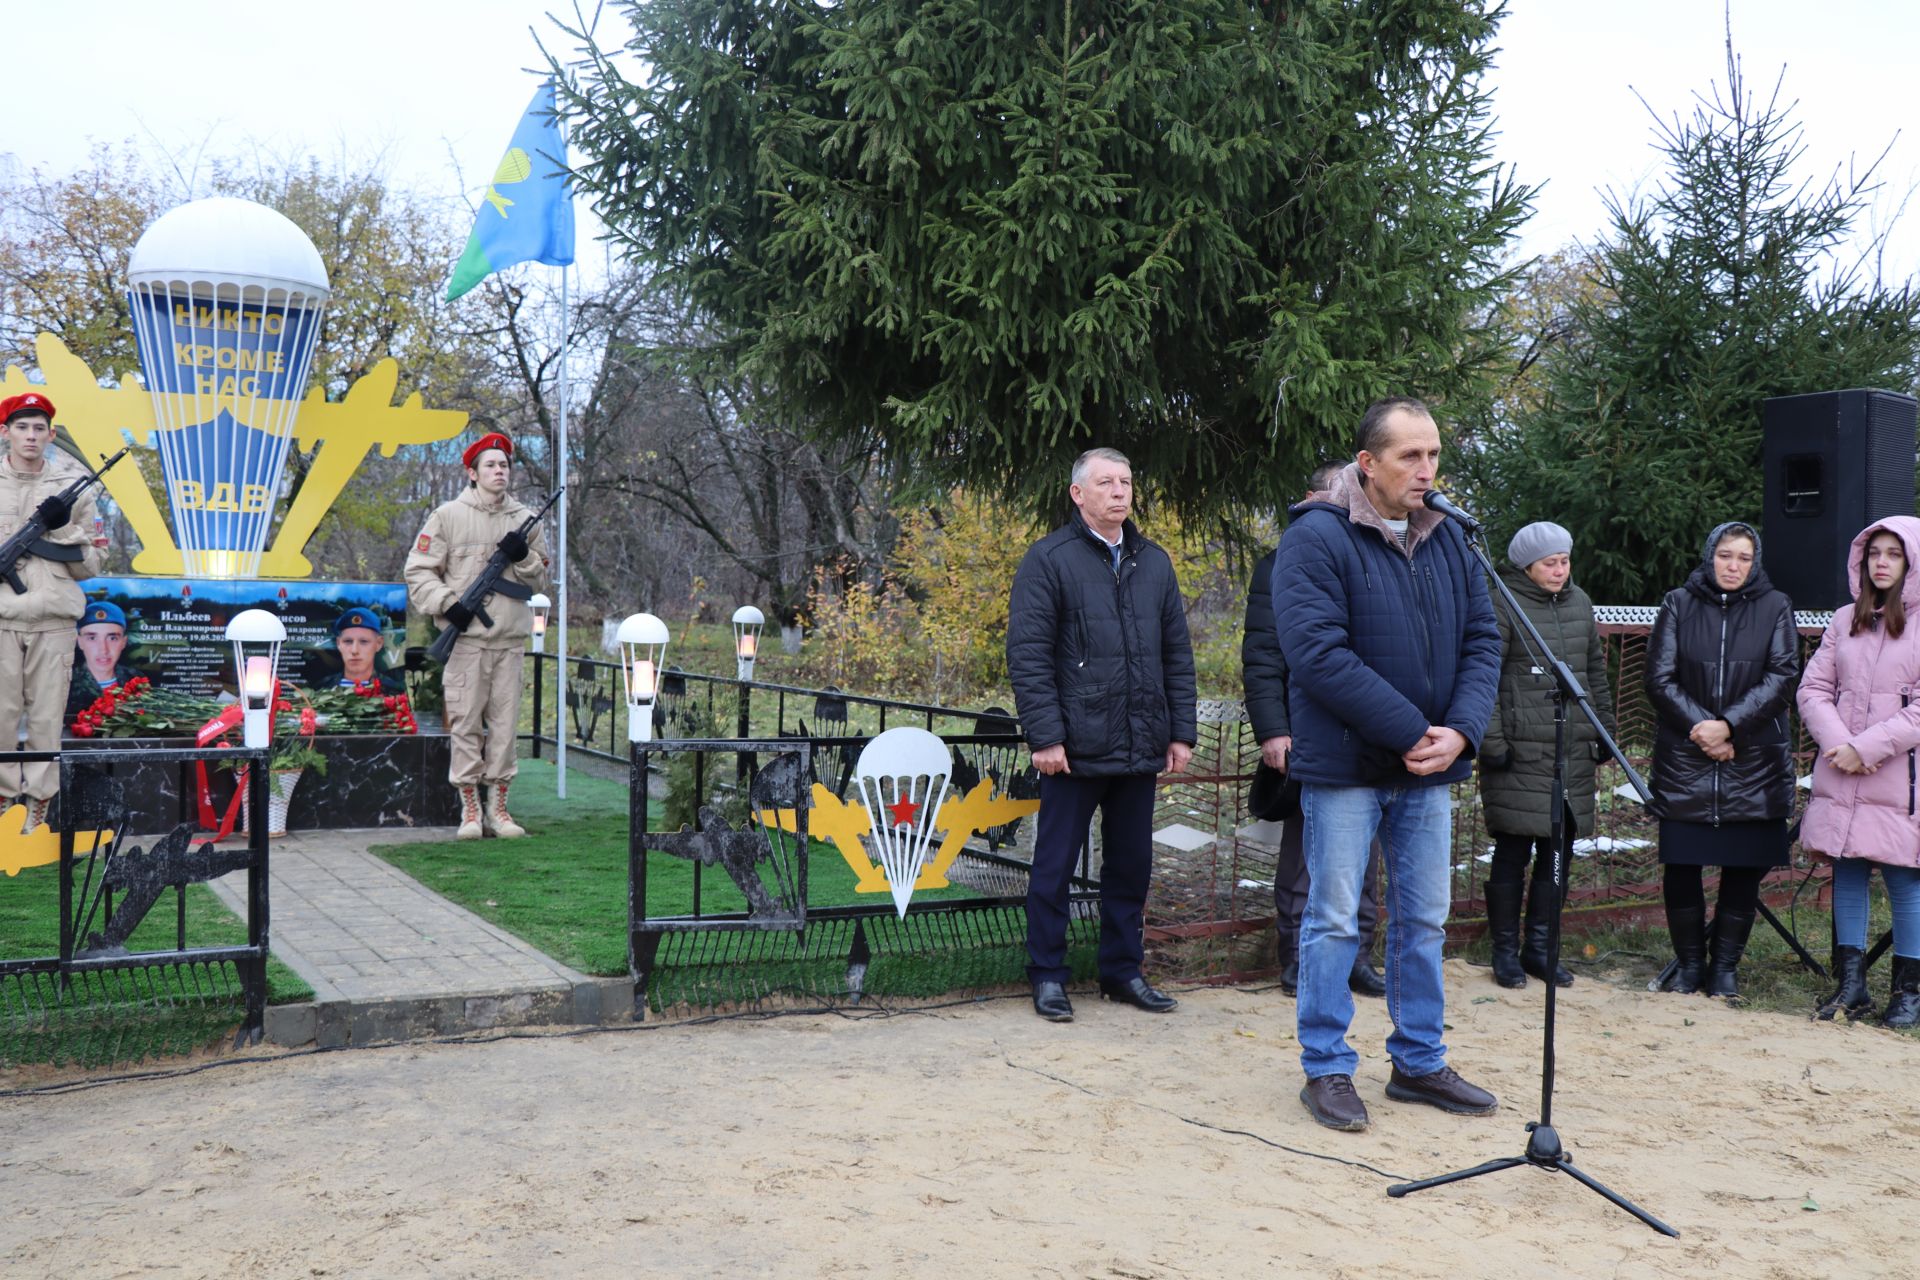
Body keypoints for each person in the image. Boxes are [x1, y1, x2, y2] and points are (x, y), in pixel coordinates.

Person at [1271, 396, 1501, 1133]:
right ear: (1366, 463)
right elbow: (1317, 656)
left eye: (1433, 454)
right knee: (1335, 920)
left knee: (1424, 919)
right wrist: (1411, 729)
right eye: (1410, 456)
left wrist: (1461, 730)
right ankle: (1327, 1068)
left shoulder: (1451, 539)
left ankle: (1419, 1061)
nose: (1426, 471)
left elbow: (1484, 640)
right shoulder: (1314, 539)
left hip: (1430, 768)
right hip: (1346, 767)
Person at [1007, 446, 1196, 1023]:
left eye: (1127, 481)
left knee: (1131, 866)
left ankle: (1122, 972)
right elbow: (1029, 654)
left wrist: (1179, 733)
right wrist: (1045, 737)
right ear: (1078, 494)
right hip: (1074, 746)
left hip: (1141, 744)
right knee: (1055, 865)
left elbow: (1177, 655)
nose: (1120, 491)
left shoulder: (1154, 562)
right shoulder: (1049, 559)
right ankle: (1047, 976)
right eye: (1106, 482)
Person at [1242, 461, 1386, 999]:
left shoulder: (1373, 555)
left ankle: (1359, 959)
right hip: (1305, 732)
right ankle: (1298, 962)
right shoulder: (1279, 563)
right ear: (1311, 497)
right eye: (1340, 494)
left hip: (1368, 732)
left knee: (1366, 857)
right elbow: (1262, 657)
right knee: (1305, 856)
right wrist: (1273, 730)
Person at [1645, 521, 1797, 998]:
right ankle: (1691, 966)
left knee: (1743, 865)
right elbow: (1660, 678)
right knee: (1683, 863)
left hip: (1752, 761)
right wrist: (1706, 732)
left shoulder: (1776, 607)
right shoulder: (1678, 603)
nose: (1733, 566)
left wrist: (1730, 726)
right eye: (1725, 555)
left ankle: (1725, 968)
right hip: (1687, 759)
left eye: (1744, 558)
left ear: (1755, 563)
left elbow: (1783, 675)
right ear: (1710, 555)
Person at [1476, 522, 1616, 989]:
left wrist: (1604, 731)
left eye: (1564, 561)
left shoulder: (1579, 603)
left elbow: (1593, 672)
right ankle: (1504, 951)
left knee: (1558, 852)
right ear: (1526, 567)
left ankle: (1540, 947)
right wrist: (1491, 741)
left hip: (1568, 750)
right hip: (1518, 751)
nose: (1560, 571)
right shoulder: (1504, 603)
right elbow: (1485, 676)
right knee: (1513, 850)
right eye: (1549, 564)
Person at [1796, 517, 1920, 1028]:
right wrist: (1839, 744)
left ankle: (1908, 993)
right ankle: (1851, 986)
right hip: (1840, 768)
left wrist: (1867, 747)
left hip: (1898, 777)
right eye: (1875, 553)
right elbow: (1812, 690)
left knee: (1902, 878)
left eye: (1894, 553)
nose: (1883, 562)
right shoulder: (1845, 617)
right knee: (1846, 872)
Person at [405, 432, 550, 841]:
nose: (499, 471)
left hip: (509, 641)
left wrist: (523, 556)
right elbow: (418, 570)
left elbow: (541, 580)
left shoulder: (525, 519)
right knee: (466, 722)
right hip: (467, 641)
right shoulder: (447, 516)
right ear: (472, 473)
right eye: (490, 465)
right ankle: (470, 809)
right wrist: (447, 604)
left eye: (504, 465)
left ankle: (498, 809)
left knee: (504, 727)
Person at [0, 392, 106, 831]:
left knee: (45, 718)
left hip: (55, 621)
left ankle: (38, 809)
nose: (30, 436)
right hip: (2, 620)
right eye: (22, 427)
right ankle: (4, 802)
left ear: (51, 434)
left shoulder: (73, 489)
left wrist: (63, 530)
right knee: (1, 715)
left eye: (39, 428)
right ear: (5, 432)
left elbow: (94, 565)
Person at [67, 601, 141, 722]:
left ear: (123, 642)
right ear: (79, 642)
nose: (103, 649)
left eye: (112, 638)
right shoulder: (66, 683)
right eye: (92, 638)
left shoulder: (136, 679)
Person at [320, 606, 405, 695]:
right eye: (348, 641)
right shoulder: (321, 688)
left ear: (379, 643)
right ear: (338, 643)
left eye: (364, 641)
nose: (354, 650)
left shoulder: (395, 692)